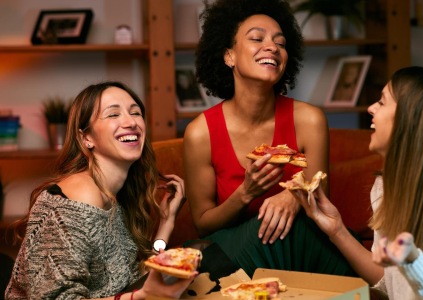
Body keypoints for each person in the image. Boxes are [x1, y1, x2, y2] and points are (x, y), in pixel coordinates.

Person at [290, 66, 423, 298]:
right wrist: (337, 229)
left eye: (382, 102)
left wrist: (411, 260)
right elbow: (389, 282)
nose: (371, 108)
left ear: (411, 119)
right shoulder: (384, 185)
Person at [183, 0, 356, 277]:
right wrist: (246, 193)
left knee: (306, 232)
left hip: (299, 252)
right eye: (256, 38)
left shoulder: (309, 120)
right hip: (234, 257)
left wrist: (293, 196)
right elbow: (204, 224)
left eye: (281, 42)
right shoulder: (200, 133)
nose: (272, 47)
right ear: (229, 56)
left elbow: (321, 200)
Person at [6, 81, 194, 299]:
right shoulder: (80, 196)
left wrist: (166, 222)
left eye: (135, 113)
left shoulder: (117, 194)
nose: (131, 121)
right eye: (113, 115)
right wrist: (139, 297)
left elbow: (135, 280)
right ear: (86, 138)